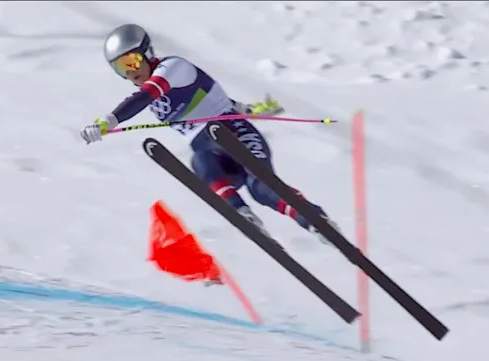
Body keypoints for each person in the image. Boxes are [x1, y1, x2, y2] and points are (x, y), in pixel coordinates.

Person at [81, 23, 337, 242]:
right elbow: (213, 96)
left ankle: (314, 219)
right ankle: (241, 213)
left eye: (132, 61)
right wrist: (248, 107)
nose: (130, 71)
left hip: (233, 134)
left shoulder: (173, 68)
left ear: (147, 52)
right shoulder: (154, 93)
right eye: (120, 68)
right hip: (212, 154)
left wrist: (108, 121)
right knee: (200, 160)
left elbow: (144, 96)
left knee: (261, 189)